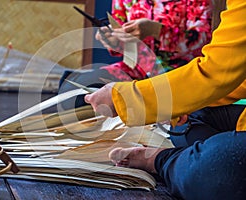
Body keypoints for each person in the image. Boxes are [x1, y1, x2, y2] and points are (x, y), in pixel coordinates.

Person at [84, 0, 246, 199]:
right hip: (160, 77)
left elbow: (213, 61)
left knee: (216, 168)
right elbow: (238, 76)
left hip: (181, 70)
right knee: (186, 121)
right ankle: (194, 154)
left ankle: (160, 159)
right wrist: (178, 103)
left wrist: (156, 30)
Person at [58, 0, 212, 110]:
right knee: (75, 94)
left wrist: (157, 30)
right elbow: (120, 42)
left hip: (180, 72)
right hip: (135, 69)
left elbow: (202, 40)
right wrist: (110, 39)